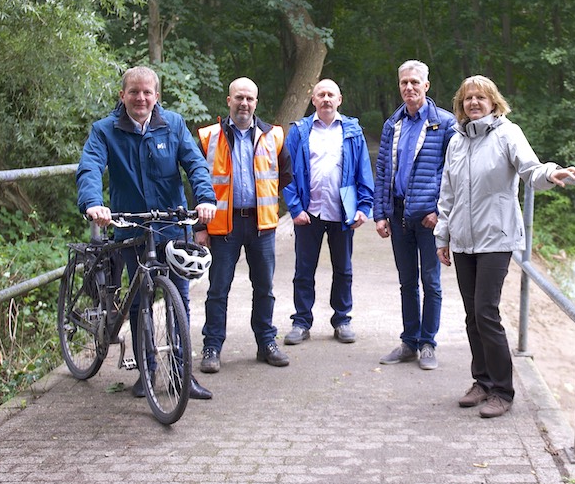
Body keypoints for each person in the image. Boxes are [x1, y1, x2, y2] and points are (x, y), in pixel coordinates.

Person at [434, 75, 575, 419]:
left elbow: (531, 169)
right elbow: (447, 194)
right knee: (472, 316)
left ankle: (503, 390)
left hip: (496, 237)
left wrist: (553, 174)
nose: (473, 103)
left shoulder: (507, 134)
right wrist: (443, 236)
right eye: (468, 98)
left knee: (487, 311)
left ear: (494, 103)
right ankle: (481, 381)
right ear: (461, 105)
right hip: (463, 239)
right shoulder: (456, 142)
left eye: (480, 98)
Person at [76, 65, 218, 401]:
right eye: (134, 92)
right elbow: (91, 167)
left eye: (147, 92)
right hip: (131, 225)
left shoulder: (174, 124)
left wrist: (205, 198)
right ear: (123, 95)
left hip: (171, 224)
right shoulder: (105, 130)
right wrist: (94, 203)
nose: (141, 98)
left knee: (179, 300)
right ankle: (147, 369)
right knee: (141, 302)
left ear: (157, 96)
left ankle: (183, 375)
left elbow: (195, 163)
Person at [195, 77, 293, 371]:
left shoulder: (273, 135)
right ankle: (212, 347)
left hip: (261, 225)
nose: (244, 103)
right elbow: (196, 183)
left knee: (264, 287)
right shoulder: (209, 136)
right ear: (229, 101)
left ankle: (266, 342)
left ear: (256, 102)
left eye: (250, 98)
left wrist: (264, 198)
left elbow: (285, 174)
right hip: (224, 227)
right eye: (239, 98)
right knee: (218, 290)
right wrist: (199, 227)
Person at [373, 60, 456, 370]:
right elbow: (382, 170)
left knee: (431, 281)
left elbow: (453, 173)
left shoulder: (445, 124)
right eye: (404, 82)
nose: (409, 87)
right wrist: (380, 214)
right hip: (398, 215)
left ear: (426, 86)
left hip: (428, 219)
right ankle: (409, 341)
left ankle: (428, 343)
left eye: (414, 82)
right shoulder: (392, 124)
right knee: (407, 281)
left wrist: (439, 212)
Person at [282, 79, 374, 345]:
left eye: (330, 95)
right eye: (321, 94)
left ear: (339, 99)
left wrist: (364, 207)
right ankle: (301, 321)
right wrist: (295, 208)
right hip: (308, 213)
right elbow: (286, 173)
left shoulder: (352, 131)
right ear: (313, 99)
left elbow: (363, 171)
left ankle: (342, 319)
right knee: (303, 270)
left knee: (343, 269)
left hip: (341, 211)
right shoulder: (299, 131)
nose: (326, 99)